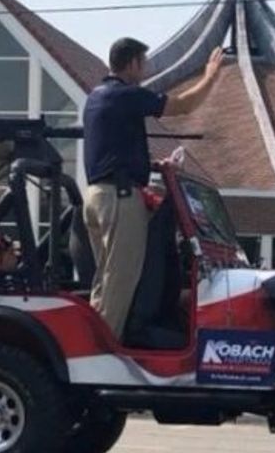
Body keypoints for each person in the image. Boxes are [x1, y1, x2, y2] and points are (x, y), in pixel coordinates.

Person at [83, 38, 224, 340]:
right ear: (132, 63)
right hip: (119, 199)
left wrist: (150, 165)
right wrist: (211, 74)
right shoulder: (126, 95)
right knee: (121, 281)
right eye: (143, 64)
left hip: (96, 197)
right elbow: (184, 105)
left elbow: (113, 148)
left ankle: (90, 342)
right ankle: (103, 356)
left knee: (105, 282)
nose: (144, 70)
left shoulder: (96, 97)